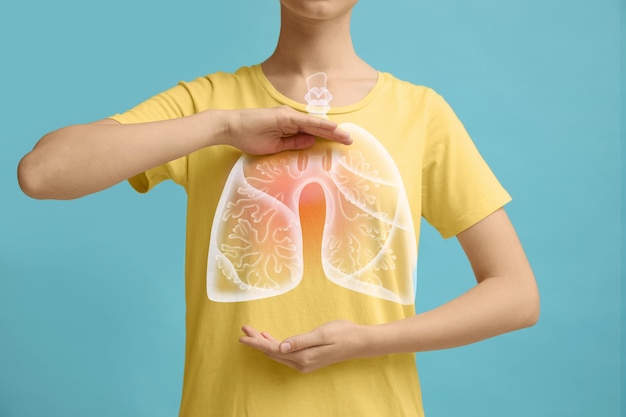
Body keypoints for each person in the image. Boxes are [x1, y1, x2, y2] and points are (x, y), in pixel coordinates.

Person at [17, 0, 539, 416]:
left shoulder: (421, 114)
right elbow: (41, 174)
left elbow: (516, 294)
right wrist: (222, 127)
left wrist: (368, 340)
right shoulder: (210, 102)